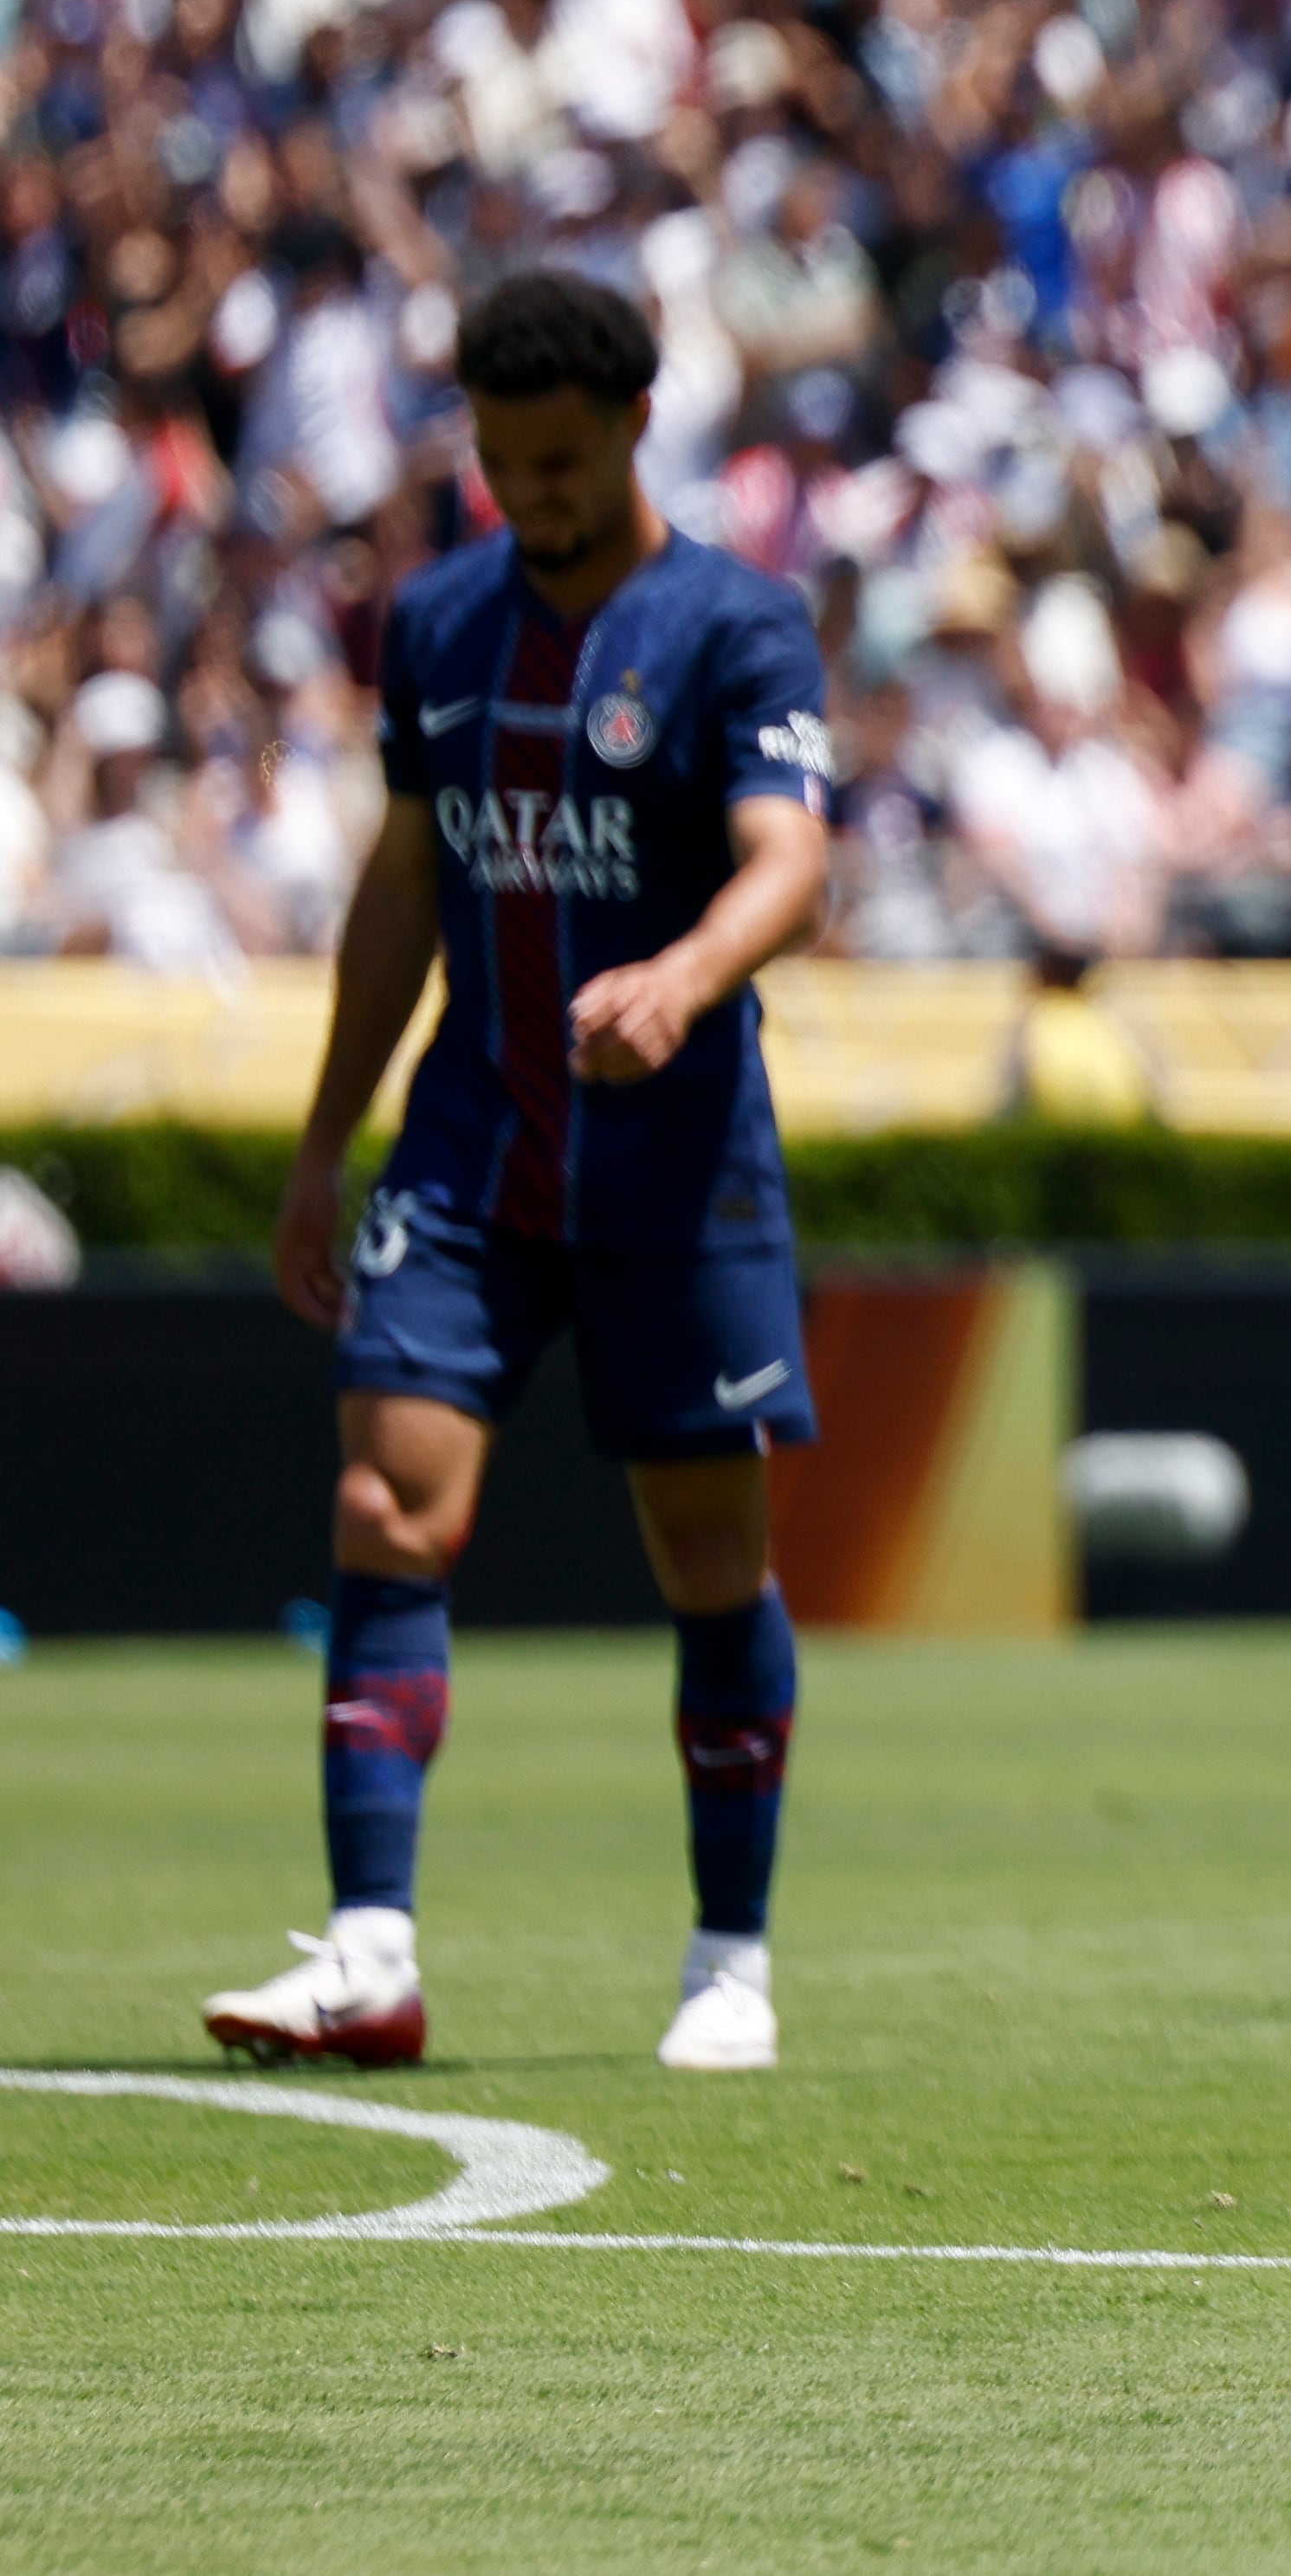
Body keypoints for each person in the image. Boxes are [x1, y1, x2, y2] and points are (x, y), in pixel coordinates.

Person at [201, 269, 836, 2075]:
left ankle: (729, 1963)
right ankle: (372, 1956)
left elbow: (792, 860)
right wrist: (325, 1144)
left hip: (677, 1164)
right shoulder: (439, 623)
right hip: (473, 1148)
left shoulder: (737, 625)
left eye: (554, 460)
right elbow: (406, 883)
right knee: (388, 1512)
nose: (525, 492)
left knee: (710, 1557)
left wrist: (685, 975)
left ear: (635, 427)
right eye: (497, 458)